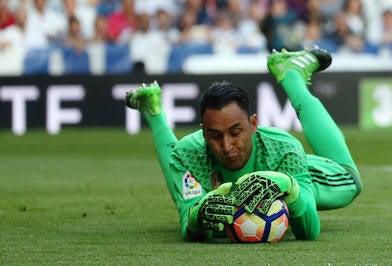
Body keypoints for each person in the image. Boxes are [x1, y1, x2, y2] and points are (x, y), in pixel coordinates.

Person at [125, 48, 361, 241]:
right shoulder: (188, 154)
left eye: (236, 132)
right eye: (215, 136)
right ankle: (153, 110)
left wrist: (289, 187)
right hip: (198, 163)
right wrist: (197, 216)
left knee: (351, 180)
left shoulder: (284, 149)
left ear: (253, 124)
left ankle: (291, 74)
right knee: (180, 163)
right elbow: (188, 224)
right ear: (203, 132)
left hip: (287, 176)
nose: (226, 145)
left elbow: (310, 231)